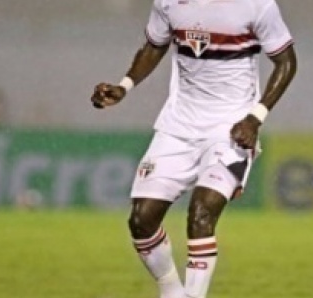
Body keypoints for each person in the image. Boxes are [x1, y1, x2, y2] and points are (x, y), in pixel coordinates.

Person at [90, 0, 297, 297]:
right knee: (141, 220)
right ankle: (173, 292)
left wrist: (255, 118)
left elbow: (287, 62)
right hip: (178, 126)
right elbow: (154, 45)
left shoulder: (256, 5)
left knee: (201, 213)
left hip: (230, 129)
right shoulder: (168, 1)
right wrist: (124, 86)